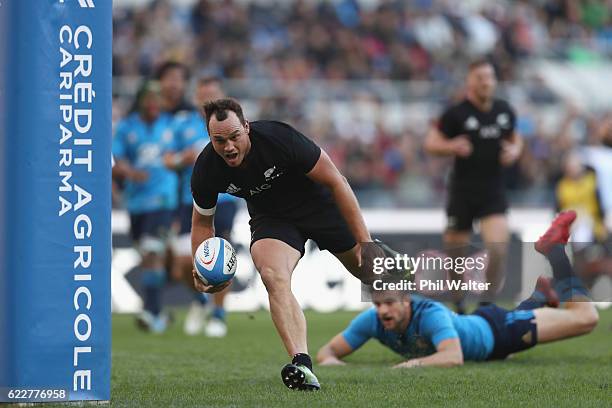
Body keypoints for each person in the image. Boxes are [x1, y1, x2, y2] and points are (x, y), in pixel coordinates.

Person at [189, 98, 386, 391]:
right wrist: (200, 268)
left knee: (374, 273)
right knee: (272, 276)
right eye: (219, 140)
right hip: (273, 219)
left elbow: (337, 181)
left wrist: (366, 244)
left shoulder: (279, 138)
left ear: (246, 128)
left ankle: (423, 307)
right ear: (210, 138)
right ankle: (302, 365)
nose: (228, 147)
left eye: (234, 137)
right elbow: (203, 224)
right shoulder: (207, 168)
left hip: (320, 206)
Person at [317, 211, 599, 368]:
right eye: (378, 305)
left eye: (390, 302)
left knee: (586, 318)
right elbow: (327, 351)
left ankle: (555, 252)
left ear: (407, 299)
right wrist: (333, 363)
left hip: (500, 333)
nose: (383, 310)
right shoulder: (374, 319)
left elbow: (453, 357)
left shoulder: (430, 314)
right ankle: (540, 298)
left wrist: (412, 366)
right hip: (485, 328)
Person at [424, 59, 524, 312]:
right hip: (462, 191)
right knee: (456, 254)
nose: (486, 82)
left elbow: (515, 137)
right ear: (470, 81)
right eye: (480, 77)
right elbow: (431, 143)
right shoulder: (456, 114)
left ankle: (486, 304)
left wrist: (514, 149)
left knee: (498, 248)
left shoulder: (504, 111)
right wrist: (452, 146)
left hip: (493, 190)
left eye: (489, 77)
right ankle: (458, 302)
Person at [163, 75, 239, 337]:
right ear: (196, 98)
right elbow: (166, 160)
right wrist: (184, 158)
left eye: (213, 94)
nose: (209, 99)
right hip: (189, 199)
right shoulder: (181, 124)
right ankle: (199, 301)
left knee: (221, 255)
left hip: (225, 196)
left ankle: (218, 314)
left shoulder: (230, 124)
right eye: (204, 94)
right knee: (185, 260)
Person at [112, 81, 178, 333]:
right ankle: (158, 312)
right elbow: (115, 160)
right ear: (141, 101)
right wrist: (129, 172)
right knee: (148, 258)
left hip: (163, 200)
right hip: (136, 203)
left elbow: (186, 158)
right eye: (149, 98)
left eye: (157, 99)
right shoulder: (128, 128)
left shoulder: (170, 125)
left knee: (152, 252)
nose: (153, 103)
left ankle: (150, 312)